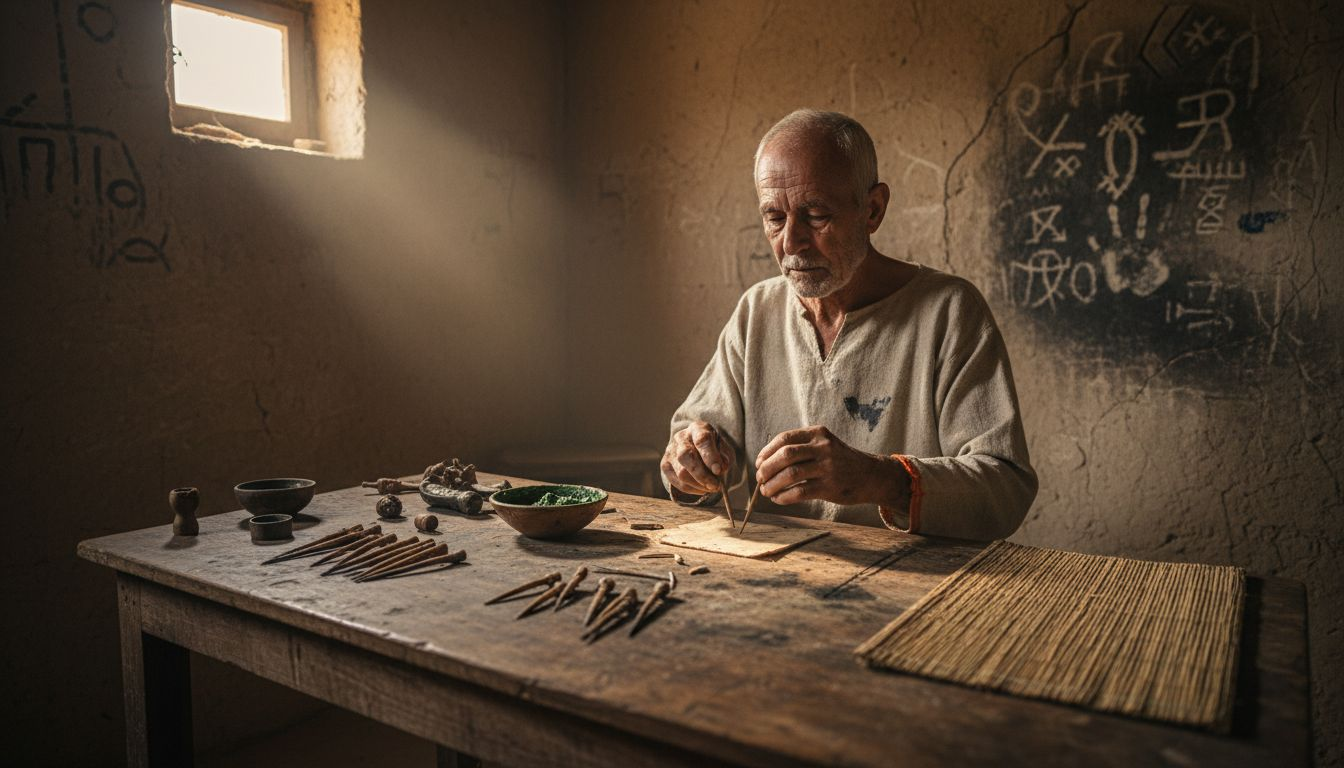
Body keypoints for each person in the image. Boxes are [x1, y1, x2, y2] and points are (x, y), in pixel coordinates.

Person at [660, 109, 1036, 540]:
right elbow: (693, 451)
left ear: (872, 209)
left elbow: (1004, 488)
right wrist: (691, 464)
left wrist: (879, 478)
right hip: (780, 577)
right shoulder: (756, 311)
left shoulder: (948, 312)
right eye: (774, 218)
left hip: (912, 582)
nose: (791, 242)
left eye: (816, 215)